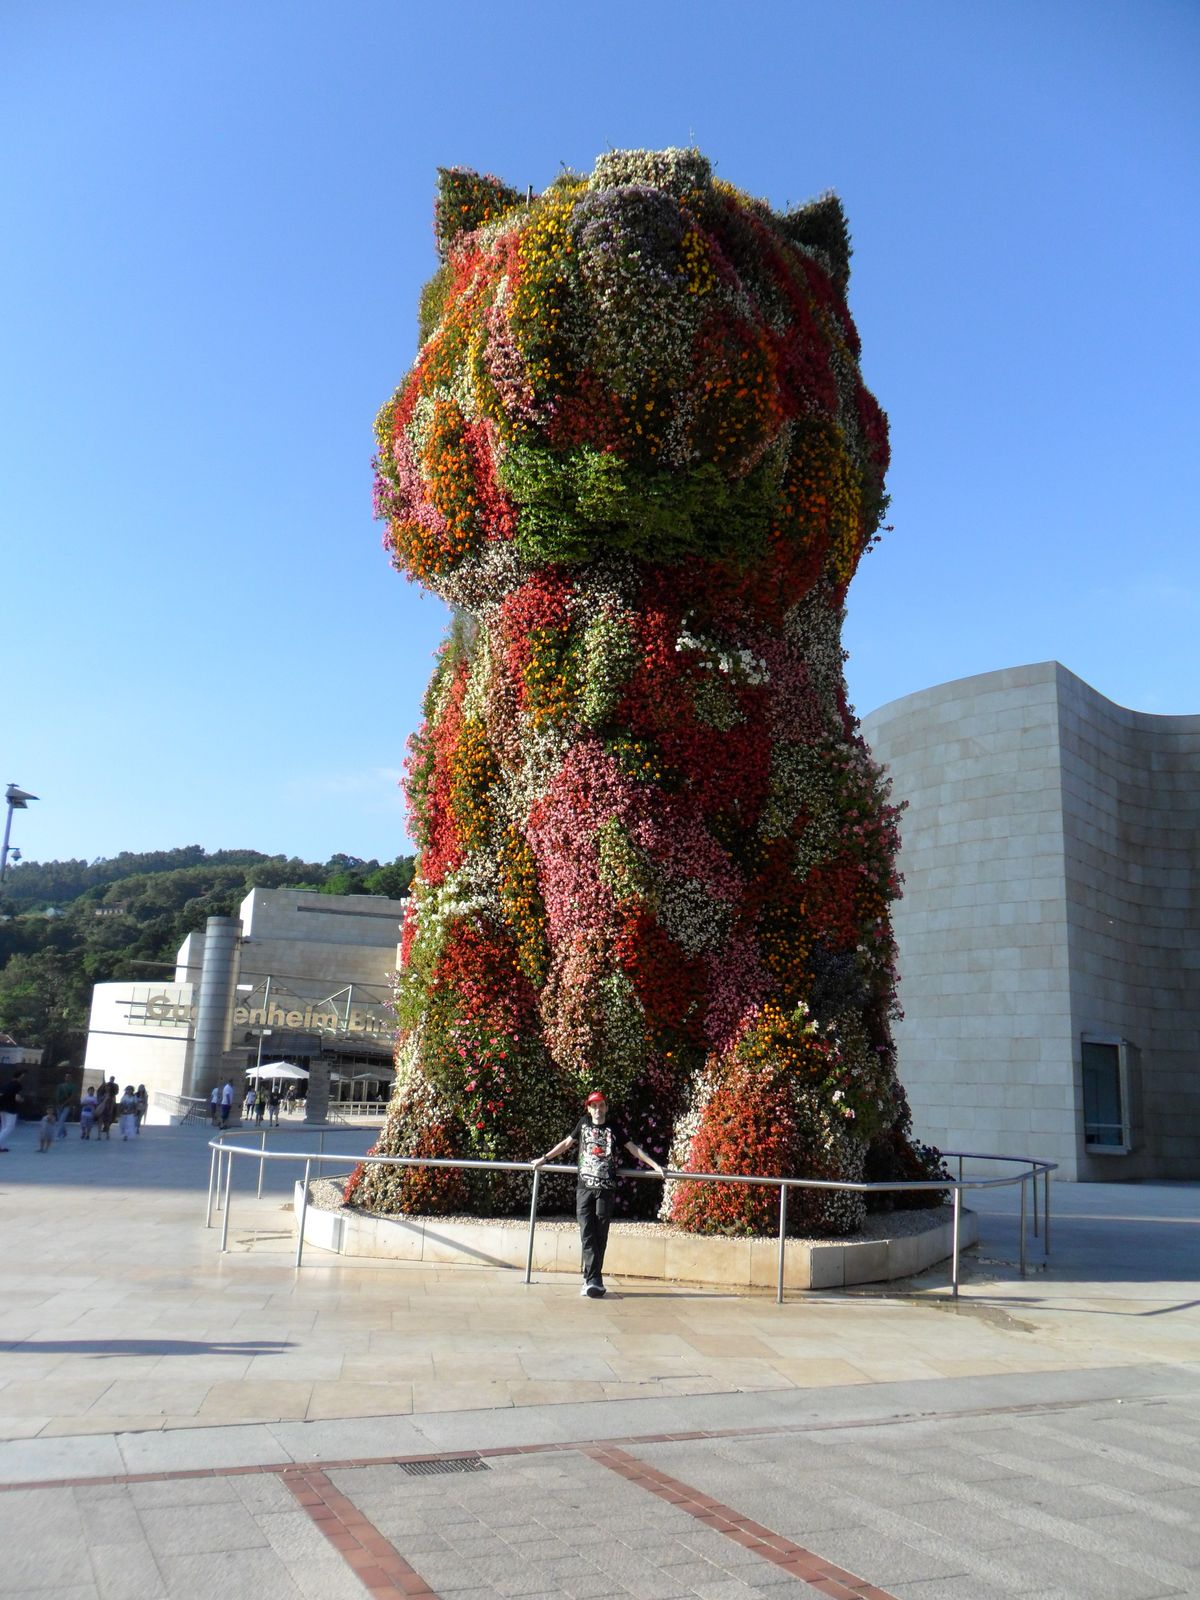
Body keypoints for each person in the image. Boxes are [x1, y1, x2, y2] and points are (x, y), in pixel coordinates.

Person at [532, 1090, 664, 1298]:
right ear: (588, 1108)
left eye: (601, 1105)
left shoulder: (613, 1128)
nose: (597, 1110)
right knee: (587, 1233)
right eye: (594, 1106)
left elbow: (632, 1148)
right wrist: (544, 1158)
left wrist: (654, 1165)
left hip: (606, 1188)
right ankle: (594, 1280)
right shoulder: (583, 1123)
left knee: (600, 1234)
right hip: (584, 1188)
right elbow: (567, 1144)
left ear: (606, 1108)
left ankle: (591, 1279)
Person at [0, 1071, 25, 1152]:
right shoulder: (17, 1085)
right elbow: (17, 1098)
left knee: (4, 1127)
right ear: (20, 1077)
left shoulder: (5, 1085)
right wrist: (21, 1100)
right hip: (11, 1108)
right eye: (22, 1077)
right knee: (10, 1127)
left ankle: (1, 1146)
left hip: (2, 1108)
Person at [54, 1073, 75, 1140]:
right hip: (59, 1105)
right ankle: (64, 1132)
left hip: (67, 1106)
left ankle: (58, 1135)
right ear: (64, 1078)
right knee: (60, 1120)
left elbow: (72, 1097)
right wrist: (58, 1104)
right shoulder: (60, 1086)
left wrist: (63, 1104)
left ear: (71, 1078)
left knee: (62, 1120)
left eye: (69, 1077)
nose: (67, 1078)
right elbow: (57, 1095)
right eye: (66, 1077)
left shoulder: (73, 1086)